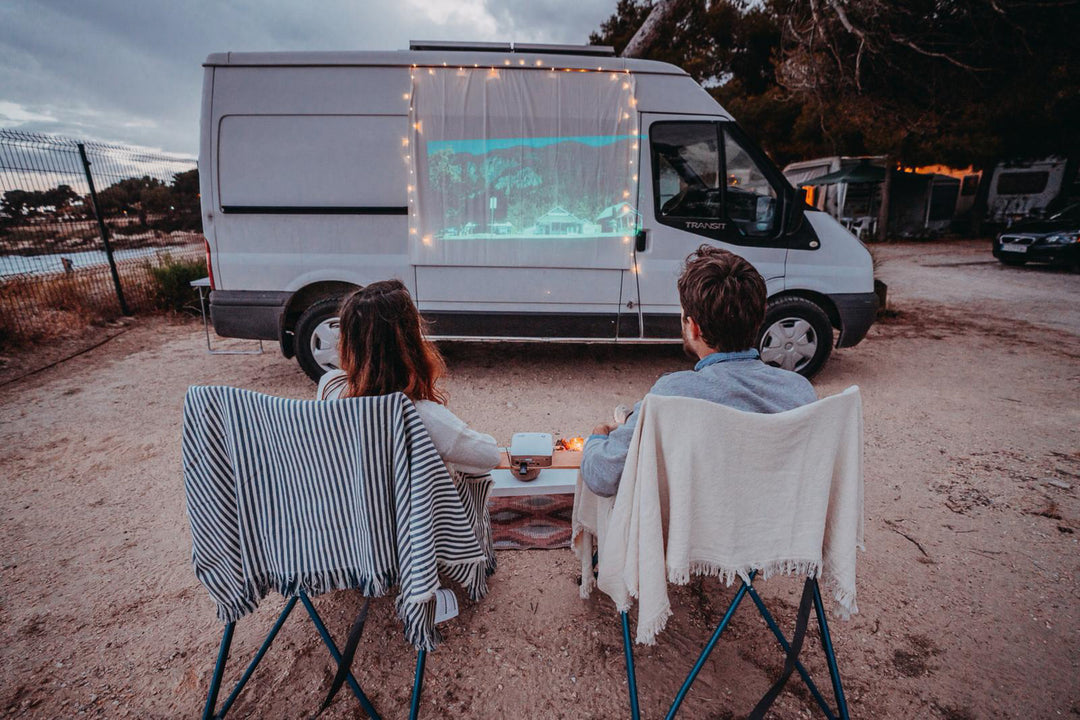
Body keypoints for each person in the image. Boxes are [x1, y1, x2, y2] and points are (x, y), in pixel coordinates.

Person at [580, 245, 818, 497]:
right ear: (758, 320)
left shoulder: (673, 395)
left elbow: (602, 476)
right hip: (778, 532)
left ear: (693, 327)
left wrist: (598, 436)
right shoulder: (799, 392)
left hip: (696, 535)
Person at [317, 279, 501, 476]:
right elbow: (489, 456)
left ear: (347, 342)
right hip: (407, 508)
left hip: (351, 506)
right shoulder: (421, 416)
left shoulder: (330, 387)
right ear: (410, 344)